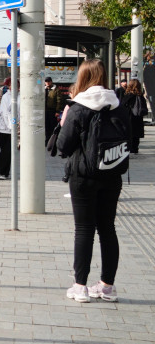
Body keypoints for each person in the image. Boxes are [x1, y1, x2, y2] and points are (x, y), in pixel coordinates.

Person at [55, 59, 124, 303]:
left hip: (83, 176)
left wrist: (64, 123)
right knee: (108, 228)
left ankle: (80, 286)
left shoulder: (79, 107)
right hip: (112, 173)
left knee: (84, 229)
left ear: (83, 78)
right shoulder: (117, 104)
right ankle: (107, 285)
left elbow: (63, 147)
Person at [0, 77, 16, 180]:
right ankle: (1, 171)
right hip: (3, 129)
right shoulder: (6, 96)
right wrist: (11, 125)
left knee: (8, 151)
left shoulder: (22, 96)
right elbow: (4, 112)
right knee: (5, 151)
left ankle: (3, 172)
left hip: (14, 130)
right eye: (11, 85)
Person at [122, 79, 147, 154]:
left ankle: (129, 148)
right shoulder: (141, 96)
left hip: (129, 117)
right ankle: (135, 149)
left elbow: (122, 106)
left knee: (129, 134)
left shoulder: (128, 96)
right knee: (136, 135)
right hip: (138, 118)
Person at [44, 77, 66, 141]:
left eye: (48, 81)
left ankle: (53, 139)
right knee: (46, 126)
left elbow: (59, 101)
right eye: (46, 81)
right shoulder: (44, 89)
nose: (47, 83)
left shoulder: (56, 90)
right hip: (45, 111)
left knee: (53, 126)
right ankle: (47, 139)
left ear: (51, 81)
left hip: (53, 111)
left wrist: (57, 111)